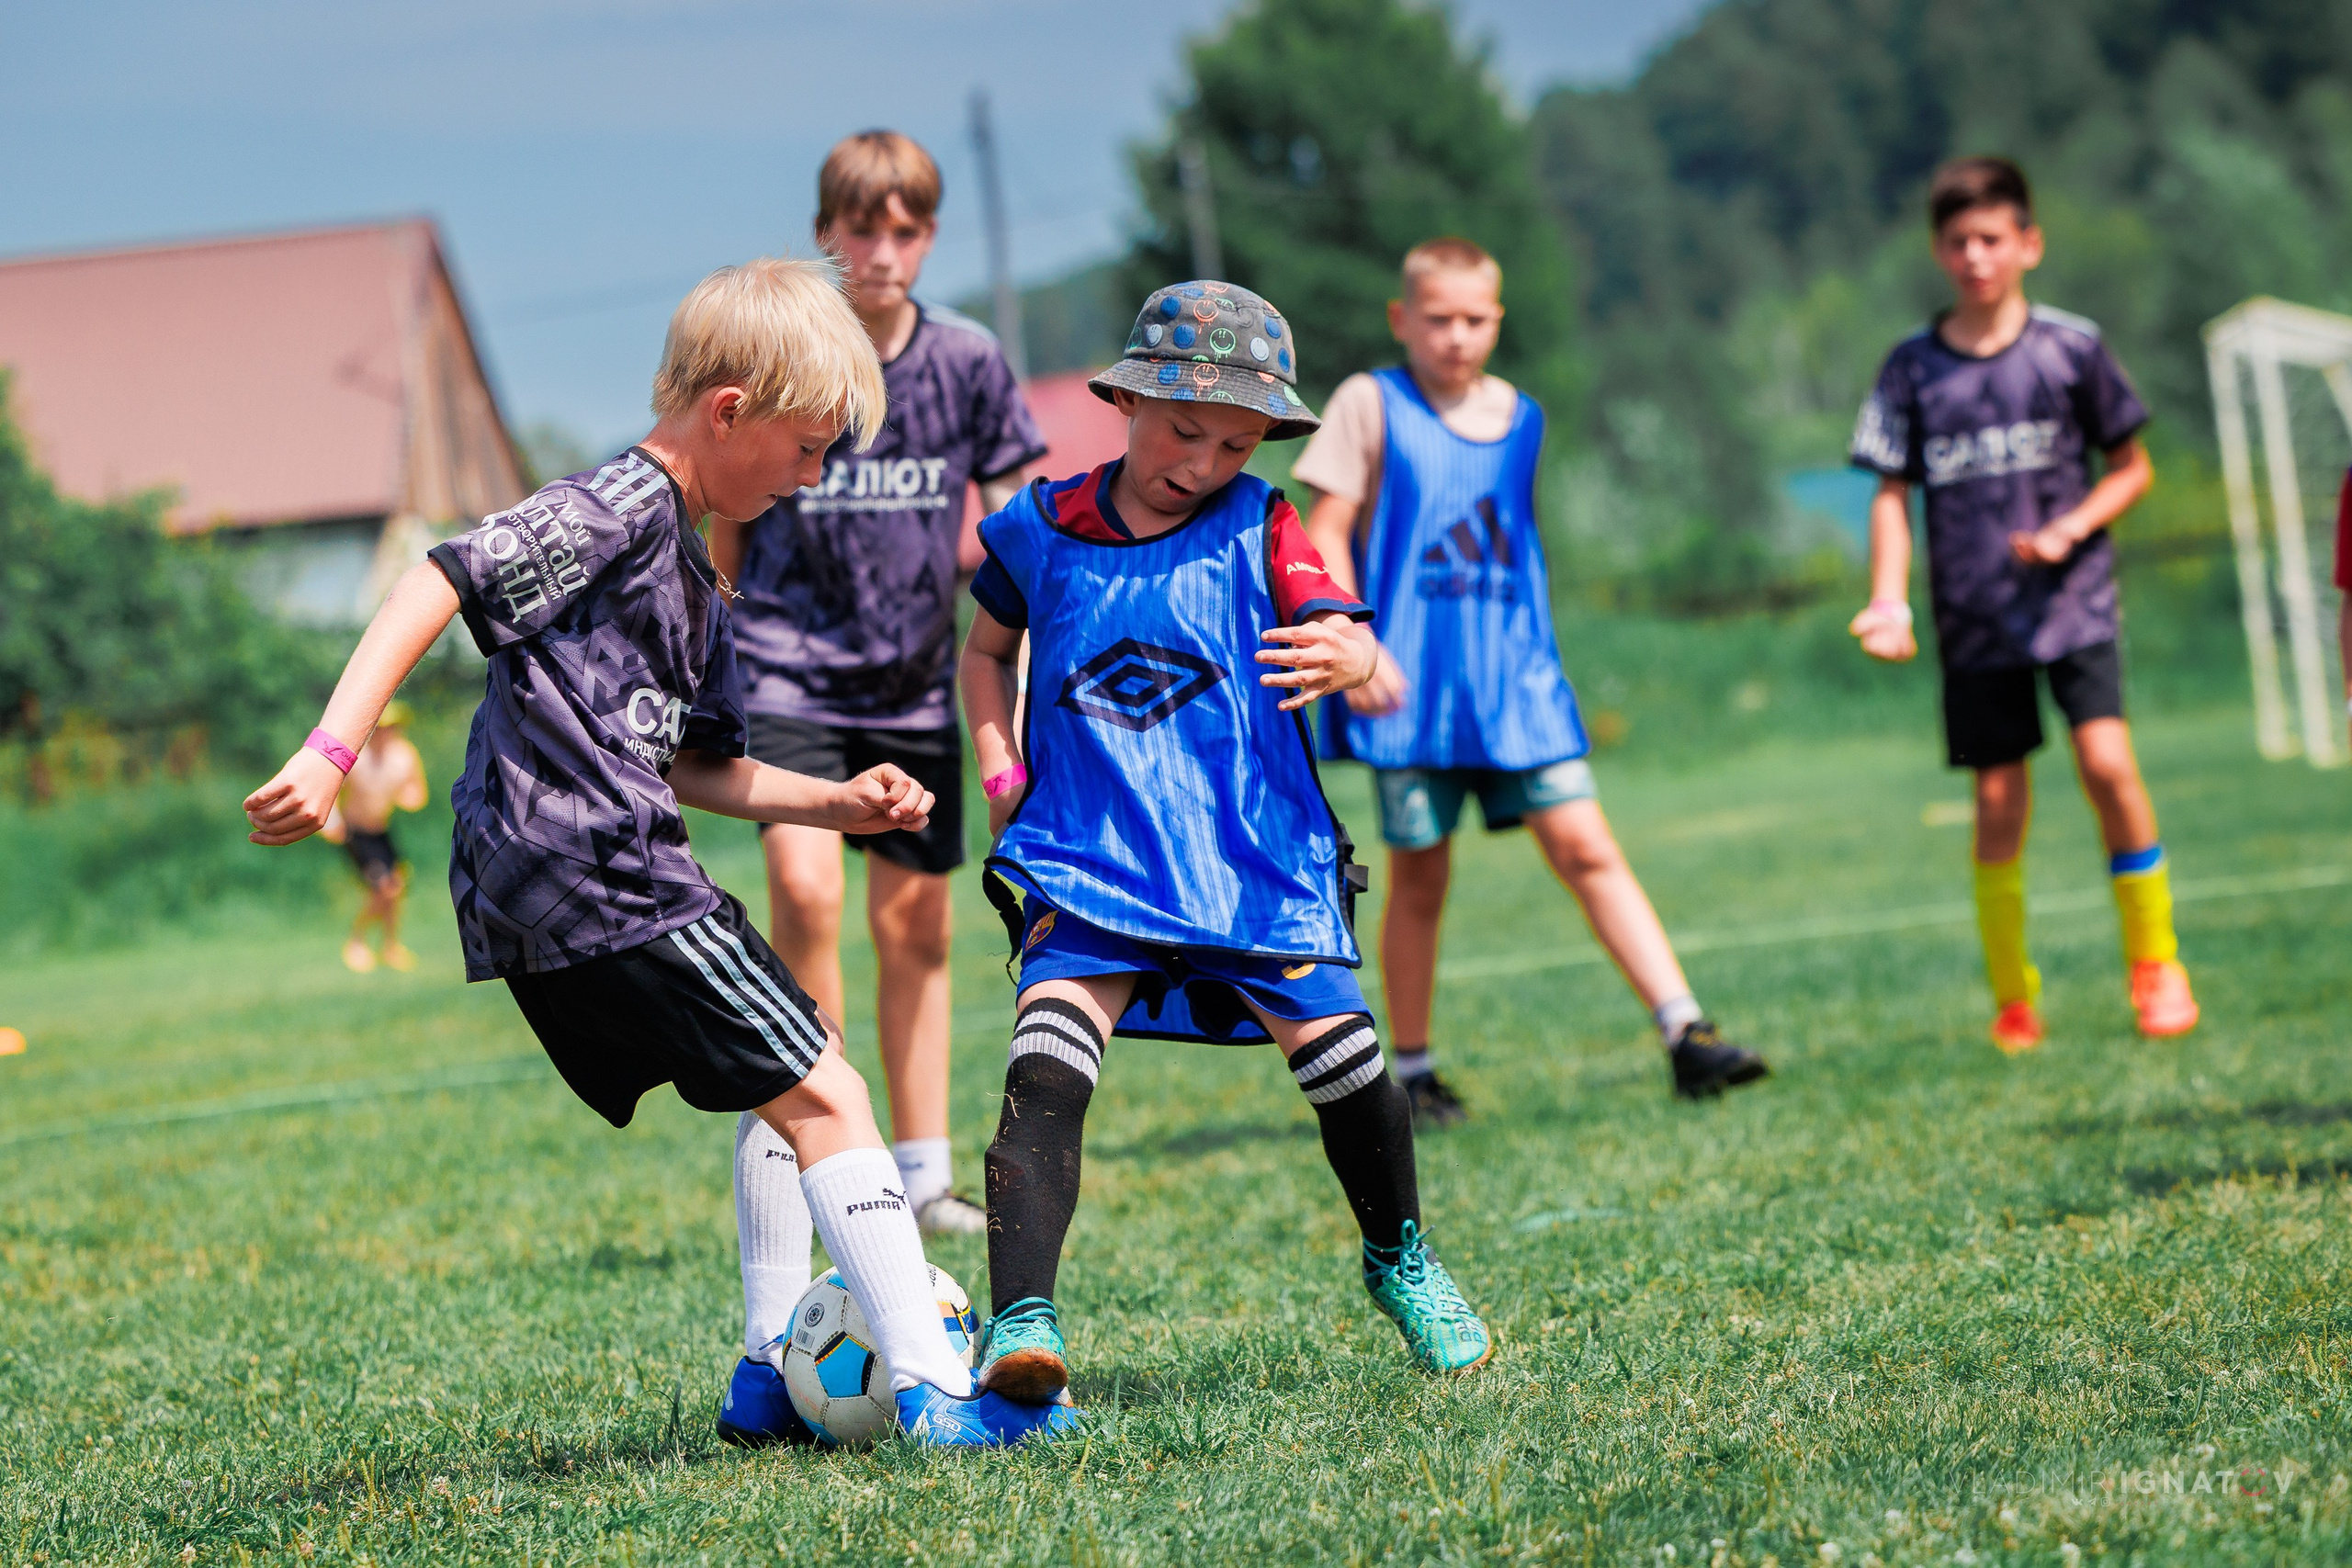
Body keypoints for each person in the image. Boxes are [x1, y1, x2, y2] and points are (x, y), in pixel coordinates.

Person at [243, 257, 1072, 1448]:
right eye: (805, 447)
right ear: (728, 409)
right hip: (597, 866)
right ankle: (942, 1391)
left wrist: (838, 804)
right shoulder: (619, 506)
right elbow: (444, 575)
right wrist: (333, 748)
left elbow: (695, 766)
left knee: (787, 1066)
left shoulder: (697, 575)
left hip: (541, 882)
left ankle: (758, 1379)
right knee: (832, 1088)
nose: (813, 477)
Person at [962, 281, 1492, 1404]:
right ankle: (1020, 1321)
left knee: (1350, 1068)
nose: (1202, 463)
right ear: (1125, 401)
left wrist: (1351, 656)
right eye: (1184, 431)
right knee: (1043, 1073)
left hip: (1245, 861)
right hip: (1089, 853)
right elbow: (980, 655)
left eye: (1236, 442)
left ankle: (1399, 1258)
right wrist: (1000, 764)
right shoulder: (1033, 530)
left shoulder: (1264, 524)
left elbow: (1337, 624)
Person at [1294, 239, 1768, 1121]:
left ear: (1497, 321)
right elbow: (1329, 527)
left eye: (1475, 319)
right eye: (1438, 319)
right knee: (1422, 877)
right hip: (1411, 699)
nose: (1457, 336)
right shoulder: (1370, 402)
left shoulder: (1525, 417)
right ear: (1403, 320)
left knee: (1589, 849)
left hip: (1519, 691)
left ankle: (1687, 1033)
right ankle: (1418, 1070)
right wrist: (1351, 636)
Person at [707, 132, 1046, 1269]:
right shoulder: (794, 358)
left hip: (912, 680)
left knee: (916, 928)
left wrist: (1031, 658)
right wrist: (706, 621)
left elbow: (1016, 522)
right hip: (788, 669)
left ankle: (921, 1171)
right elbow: (727, 508)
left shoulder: (967, 361)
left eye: (906, 230)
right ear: (826, 236)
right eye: (863, 228)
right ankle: (826, 1152)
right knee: (803, 893)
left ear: (928, 238)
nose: (884, 250)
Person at [1848, 155, 2196, 1051]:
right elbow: (1890, 493)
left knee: (2108, 767)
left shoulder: (2070, 349)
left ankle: (2154, 965)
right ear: (1937, 250)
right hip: (1972, 619)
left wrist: (2069, 527)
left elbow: (2132, 468)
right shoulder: (1911, 368)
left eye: (1991, 239)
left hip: (2072, 604)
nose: (1974, 256)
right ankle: (2014, 996)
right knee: (1999, 803)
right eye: (1957, 241)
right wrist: (1888, 599)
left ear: (2028, 245)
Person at [320, 699, 428, 973]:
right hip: (355, 832)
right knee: (384, 888)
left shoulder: (404, 755)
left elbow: (417, 792)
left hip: (382, 831)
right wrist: (331, 822)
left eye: (393, 727)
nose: (386, 733)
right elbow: (330, 790)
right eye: (380, 727)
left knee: (396, 887)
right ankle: (356, 943)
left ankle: (391, 947)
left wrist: (409, 798)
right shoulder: (356, 756)